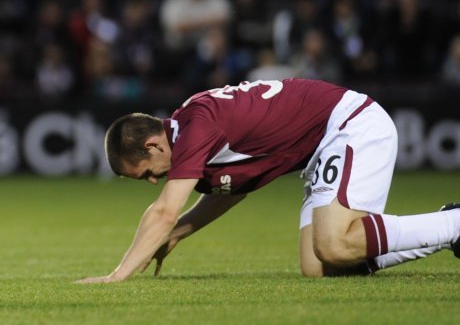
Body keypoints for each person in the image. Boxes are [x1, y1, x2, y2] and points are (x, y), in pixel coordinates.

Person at [77, 78, 460, 282]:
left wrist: (118, 275)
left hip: (350, 125)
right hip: (323, 147)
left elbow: (162, 211)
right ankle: (447, 227)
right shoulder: (189, 128)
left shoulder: (196, 129)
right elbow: (230, 192)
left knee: (334, 243)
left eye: (145, 173)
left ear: (152, 145)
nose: (151, 182)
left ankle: (454, 224)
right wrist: (178, 234)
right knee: (320, 266)